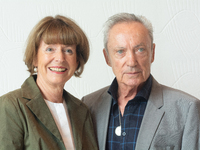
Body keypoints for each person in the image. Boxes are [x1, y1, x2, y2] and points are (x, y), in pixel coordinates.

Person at [82, 13, 200, 150]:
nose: (132, 61)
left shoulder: (187, 109)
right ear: (107, 57)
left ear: (152, 52)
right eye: (120, 51)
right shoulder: (88, 106)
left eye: (140, 49)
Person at [0, 15, 98, 150]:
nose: (60, 58)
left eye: (68, 50)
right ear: (34, 57)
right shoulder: (11, 106)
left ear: (77, 61)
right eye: (50, 49)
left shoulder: (82, 111)